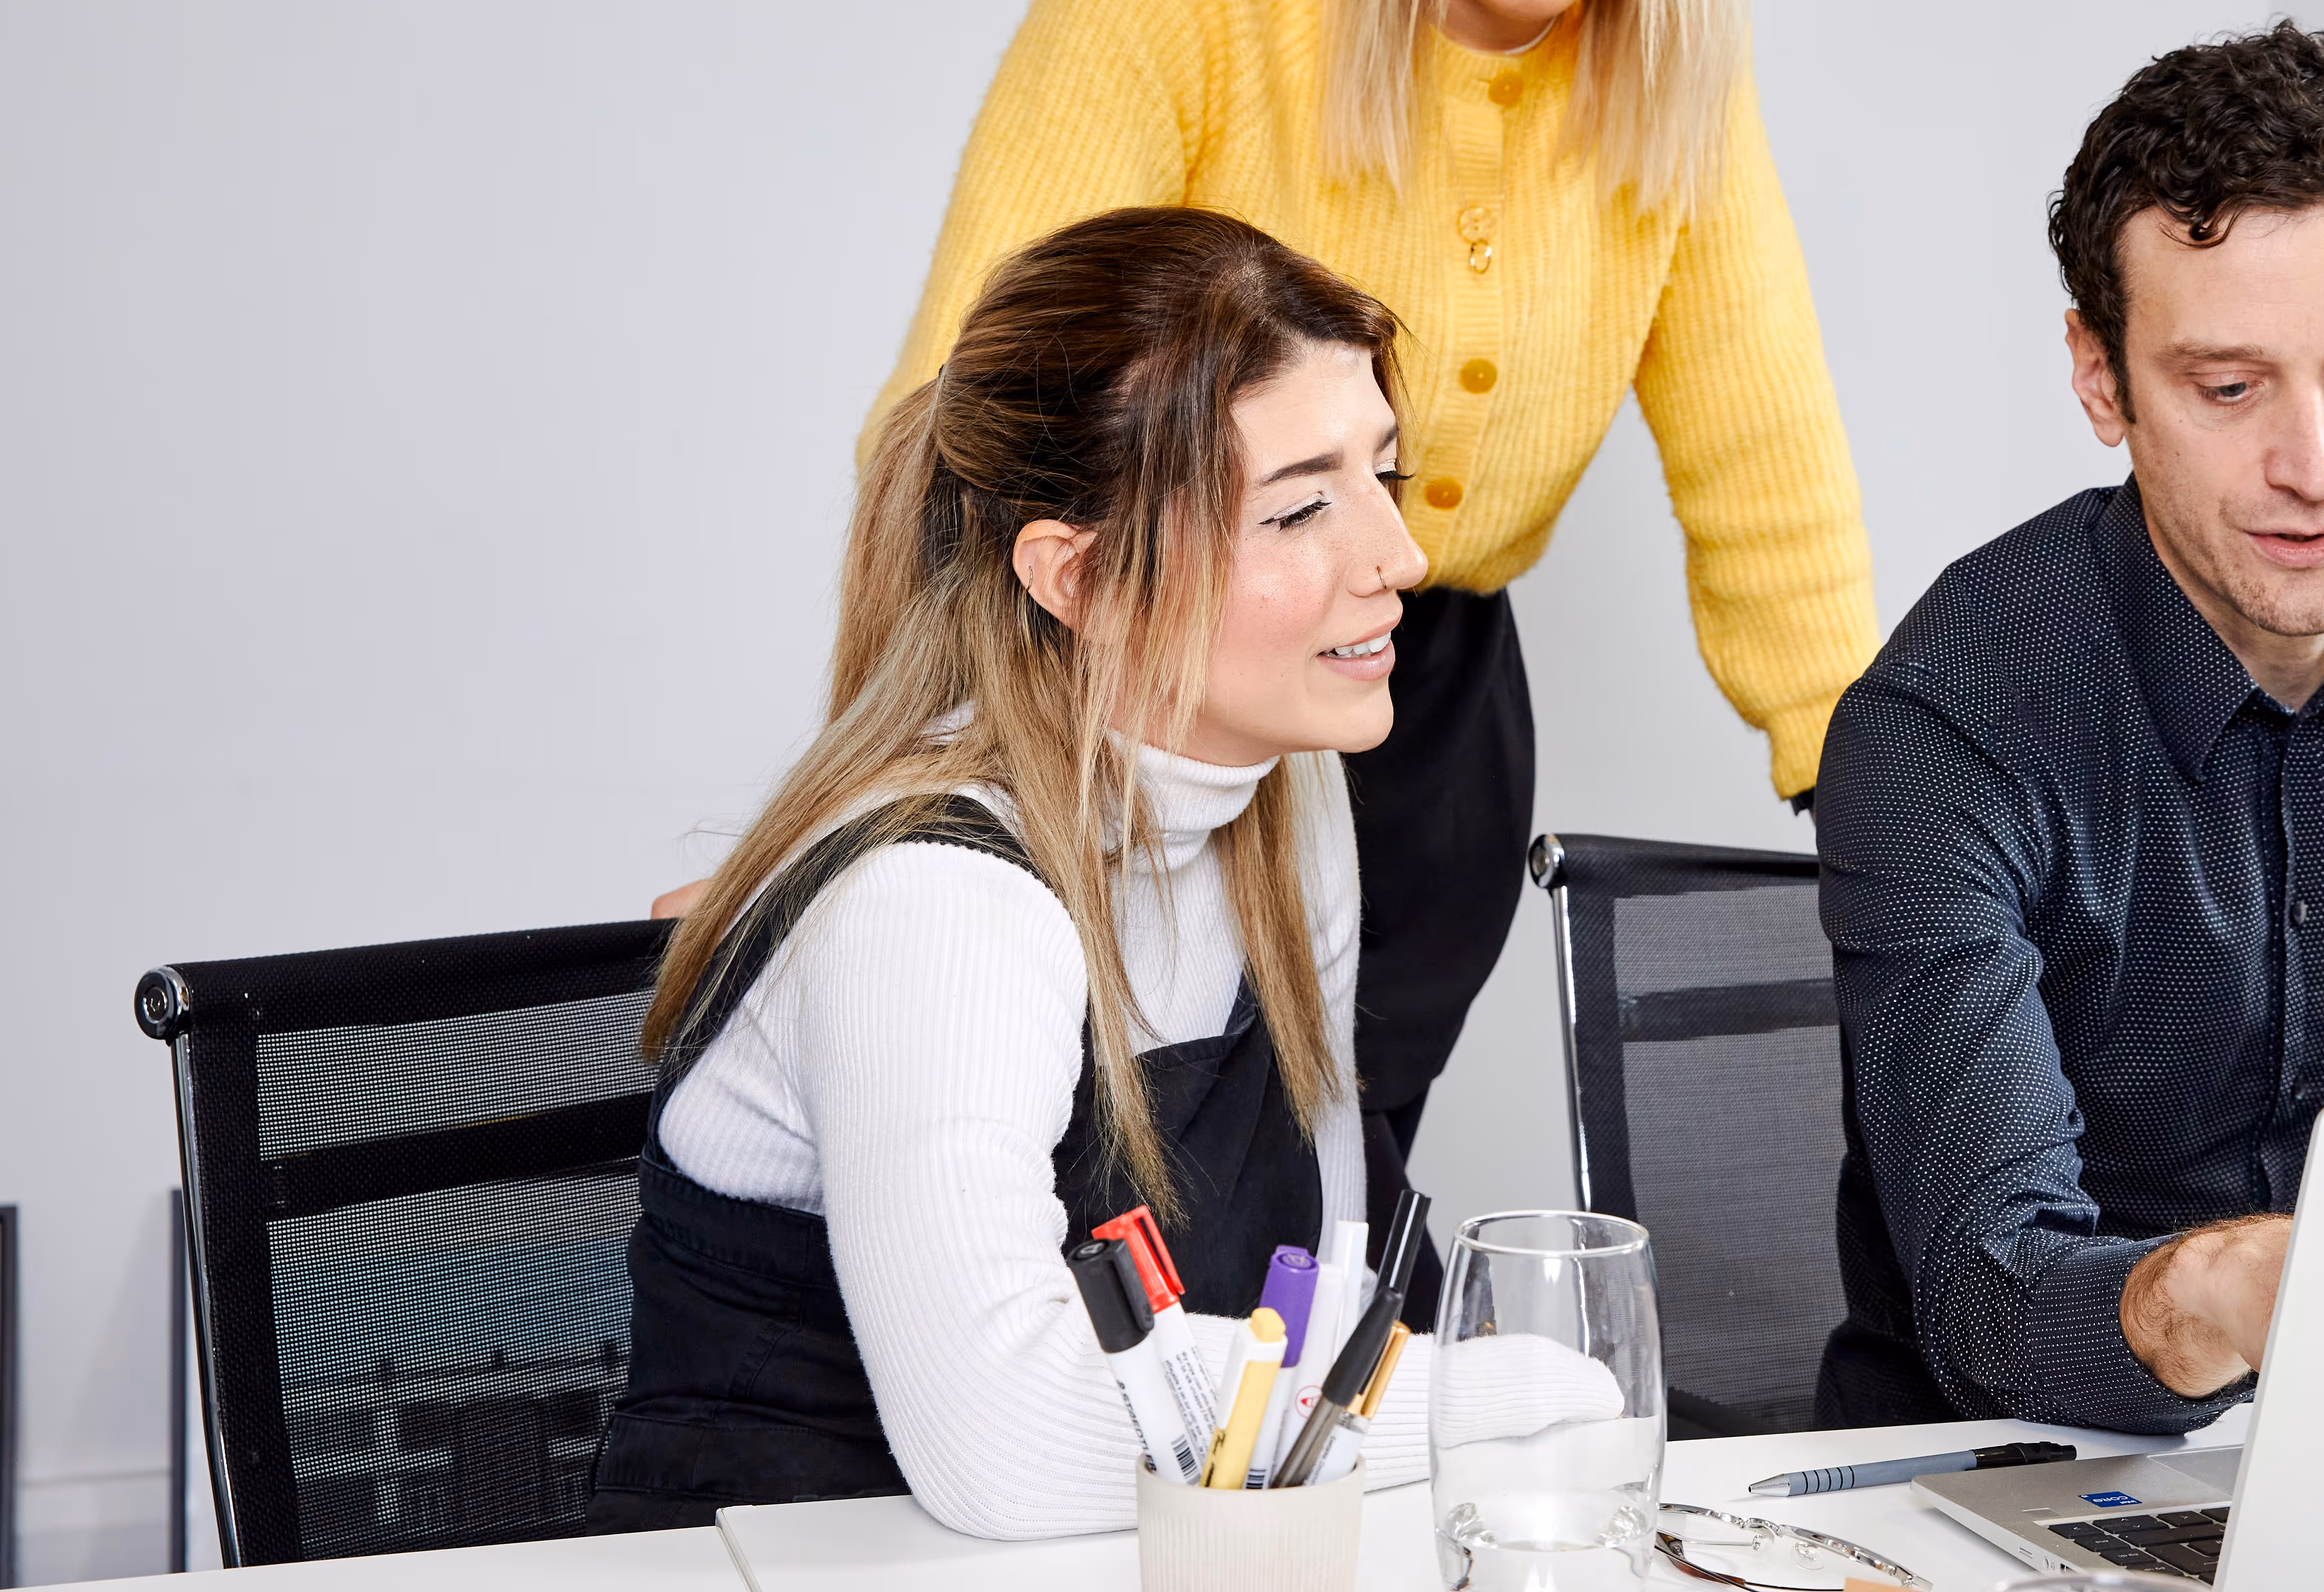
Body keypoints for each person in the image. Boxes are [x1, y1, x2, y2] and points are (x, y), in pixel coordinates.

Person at [817, 0, 1882, 1310]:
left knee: (1317, 1203)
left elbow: (1773, 479)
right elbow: (960, 410)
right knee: (1077, 1198)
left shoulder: (1671, 62)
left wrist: (1898, 836)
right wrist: (886, 797)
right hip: (1126, 681)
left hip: (1419, 695)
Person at [588, 208, 1608, 1536]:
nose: (1400, 560)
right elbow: (1009, 1449)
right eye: (1301, 507)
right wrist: (1496, 1399)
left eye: (1387, 480)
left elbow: (1332, 1292)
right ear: (1077, 577)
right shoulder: (936, 900)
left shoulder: (1288, 804)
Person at [1812, 23, 2324, 1433]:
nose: (2316, 467)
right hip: (1987, 1478)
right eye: (2229, 387)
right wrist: (2230, 1294)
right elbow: (1987, 1298)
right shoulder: (1942, 723)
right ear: (2101, 380)